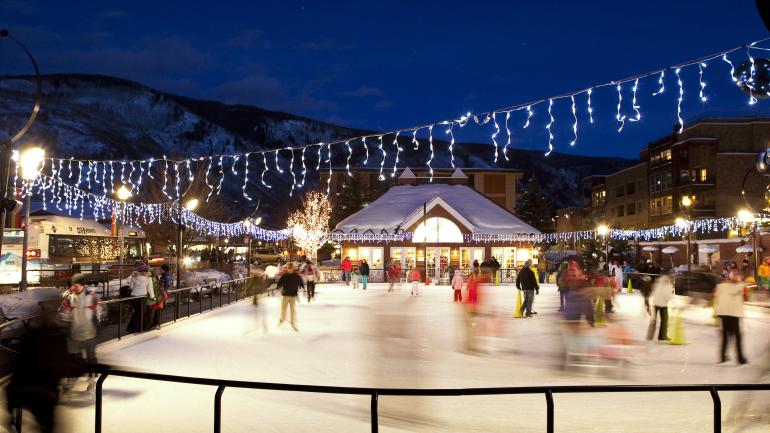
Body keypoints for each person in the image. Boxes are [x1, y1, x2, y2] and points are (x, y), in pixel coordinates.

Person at [6, 311, 85, 433]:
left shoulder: (31, 337)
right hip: (42, 393)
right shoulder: (56, 339)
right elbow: (60, 366)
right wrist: (83, 367)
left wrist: (10, 410)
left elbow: (18, 364)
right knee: (47, 424)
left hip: (19, 390)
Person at [59, 273, 102, 393]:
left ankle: (91, 380)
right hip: (75, 333)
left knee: (91, 357)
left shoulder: (92, 297)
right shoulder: (69, 297)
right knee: (74, 359)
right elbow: (65, 314)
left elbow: (99, 312)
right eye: (73, 285)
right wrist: (64, 321)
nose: (74, 287)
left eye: (76, 285)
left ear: (83, 285)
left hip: (90, 333)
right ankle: (71, 381)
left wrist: (96, 324)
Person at [715, 271, 748, 364]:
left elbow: (716, 294)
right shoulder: (737, 286)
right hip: (732, 314)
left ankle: (722, 356)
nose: (739, 279)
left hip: (723, 313)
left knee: (725, 335)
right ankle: (740, 359)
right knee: (737, 336)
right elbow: (735, 290)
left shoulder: (721, 285)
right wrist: (742, 283)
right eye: (738, 277)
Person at [127, 262, 155, 334]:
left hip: (134, 297)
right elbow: (150, 289)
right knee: (142, 313)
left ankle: (133, 328)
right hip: (143, 297)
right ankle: (139, 328)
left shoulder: (134, 276)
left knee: (136, 312)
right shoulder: (148, 278)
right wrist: (153, 297)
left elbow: (131, 287)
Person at [277, 262, 304, 331]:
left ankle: (293, 323)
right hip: (285, 295)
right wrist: (278, 286)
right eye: (289, 268)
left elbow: (301, 281)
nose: (290, 269)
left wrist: (302, 286)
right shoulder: (284, 276)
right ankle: (282, 319)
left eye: (291, 268)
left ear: (293, 268)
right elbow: (280, 282)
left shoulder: (296, 276)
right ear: (287, 268)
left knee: (292, 310)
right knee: (283, 309)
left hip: (293, 295)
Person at [647, 271, 674, 341]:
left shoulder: (658, 280)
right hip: (663, 304)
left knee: (653, 320)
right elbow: (667, 295)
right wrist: (670, 299)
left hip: (655, 303)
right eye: (672, 276)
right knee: (664, 320)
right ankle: (662, 336)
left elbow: (653, 289)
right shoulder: (668, 283)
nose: (672, 277)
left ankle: (649, 336)